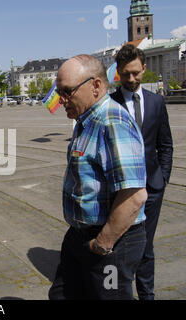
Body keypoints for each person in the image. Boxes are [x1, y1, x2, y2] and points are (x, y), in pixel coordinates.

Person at [48, 55, 148, 300]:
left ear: (95, 86)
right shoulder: (87, 121)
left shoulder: (112, 122)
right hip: (80, 236)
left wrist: (102, 244)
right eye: (59, 92)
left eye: (67, 91)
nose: (61, 100)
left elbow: (134, 196)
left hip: (111, 243)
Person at [111, 45, 173, 300]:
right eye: (126, 74)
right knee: (121, 245)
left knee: (146, 246)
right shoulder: (110, 104)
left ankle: (147, 295)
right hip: (122, 192)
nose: (132, 79)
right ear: (118, 73)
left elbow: (165, 145)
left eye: (136, 73)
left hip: (152, 190)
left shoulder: (157, 102)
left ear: (144, 69)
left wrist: (162, 180)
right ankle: (119, 291)